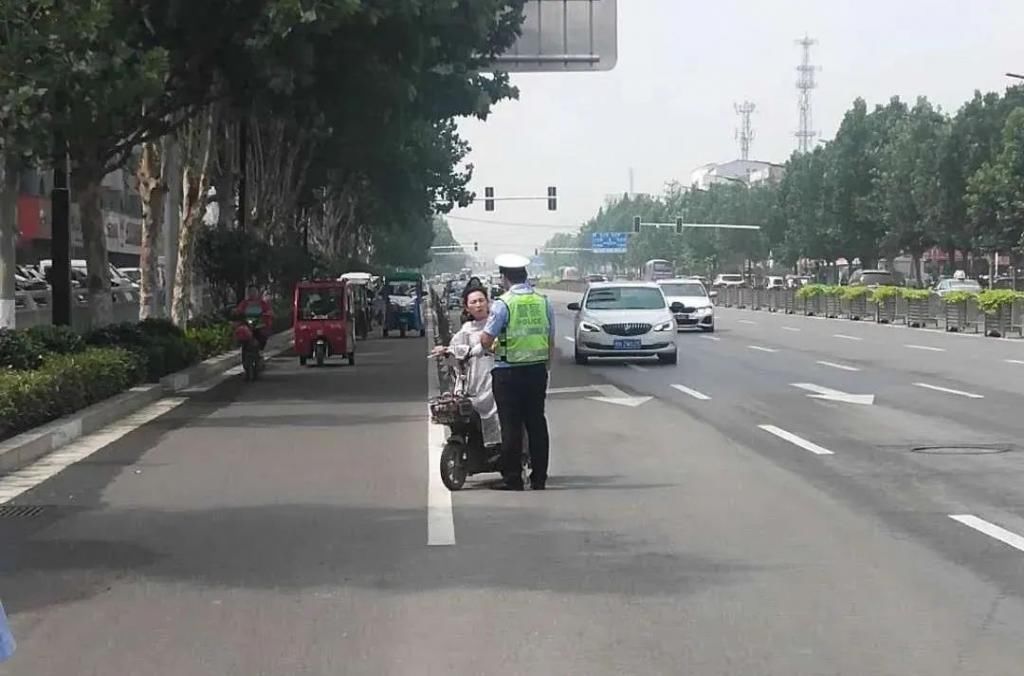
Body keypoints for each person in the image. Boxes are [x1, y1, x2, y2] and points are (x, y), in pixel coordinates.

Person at [480, 254, 555, 491]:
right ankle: (539, 478)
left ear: (504, 278)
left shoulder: (503, 304)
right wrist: (546, 366)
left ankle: (512, 478)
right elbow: (551, 339)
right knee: (536, 424)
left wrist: (490, 346)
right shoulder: (544, 301)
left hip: (508, 373)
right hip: (537, 371)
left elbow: (485, 339)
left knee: (511, 426)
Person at [432, 286, 502, 447]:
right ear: (467, 307)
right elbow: (454, 354)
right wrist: (445, 351)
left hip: (495, 379)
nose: (478, 305)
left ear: (488, 302)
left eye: (481, 300)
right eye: (474, 302)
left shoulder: (497, 325)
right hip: (473, 382)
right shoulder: (466, 331)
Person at [235, 284, 273, 350]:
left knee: (263, 333)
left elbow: (269, 311)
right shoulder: (244, 303)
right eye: (250, 291)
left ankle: (260, 349)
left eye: (254, 291)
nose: (252, 293)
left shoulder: (262, 303)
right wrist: (236, 312)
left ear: (257, 292)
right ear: (248, 293)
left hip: (259, 324)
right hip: (247, 324)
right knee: (241, 331)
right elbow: (238, 310)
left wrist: (268, 313)